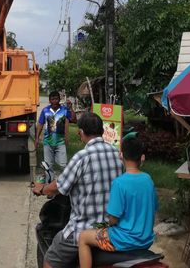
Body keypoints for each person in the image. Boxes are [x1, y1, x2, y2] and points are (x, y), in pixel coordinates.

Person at [32, 112, 123, 268]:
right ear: (102, 131)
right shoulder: (118, 155)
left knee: (50, 260)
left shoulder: (82, 157)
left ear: (81, 133)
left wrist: (42, 189)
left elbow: (58, 187)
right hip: (112, 229)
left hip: (83, 230)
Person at [78, 137, 158, 268]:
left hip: (122, 240)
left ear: (121, 155)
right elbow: (153, 209)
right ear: (142, 157)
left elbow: (113, 219)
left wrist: (106, 223)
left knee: (83, 237)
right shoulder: (148, 180)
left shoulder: (119, 183)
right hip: (145, 240)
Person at [35, 91, 74, 180]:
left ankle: (65, 183)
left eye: (56, 99)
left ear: (59, 99)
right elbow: (40, 124)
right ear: (49, 100)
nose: (55, 101)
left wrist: (70, 108)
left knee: (63, 165)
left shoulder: (64, 110)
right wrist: (37, 138)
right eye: (52, 99)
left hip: (61, 142)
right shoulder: (45, 110)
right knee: (48, 166)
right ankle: (49, 183)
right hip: (47, 142)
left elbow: (73, 119)